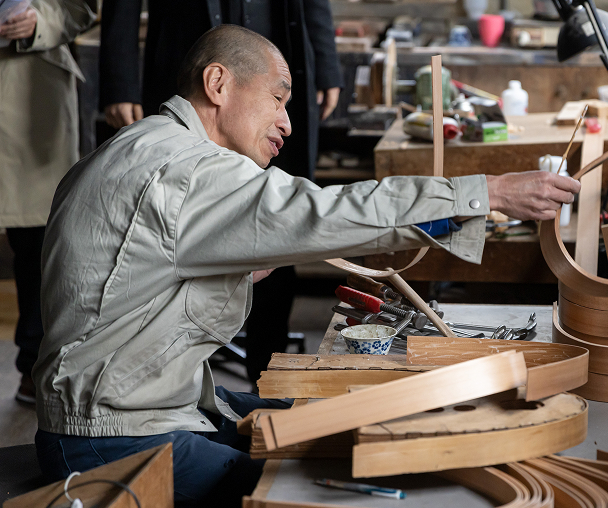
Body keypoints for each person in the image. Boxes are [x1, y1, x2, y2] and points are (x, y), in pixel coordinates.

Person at [34, 25, 580, 507]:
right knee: (314, 486)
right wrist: (486, 193)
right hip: (113, 436)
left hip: (127, 407)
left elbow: (131, 276)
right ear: (218, 84)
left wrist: (233, 268)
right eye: (278, 98)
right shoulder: (189, 170)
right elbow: (328, 211)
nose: (288, 124)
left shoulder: (139, 146)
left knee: (310, 416)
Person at [99, 0, 343, 385]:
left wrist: (325, 64)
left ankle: (267, 375)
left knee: (280, 222)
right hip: (187, 61)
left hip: (278, 58)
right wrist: (119, 79)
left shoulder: (281, 107)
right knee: (180, 220)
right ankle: (175, 373)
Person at [0, 0, 94, 404]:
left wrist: (41, 21)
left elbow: (82, 6)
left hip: (29, 89)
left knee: (39, 243)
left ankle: (36, 365)